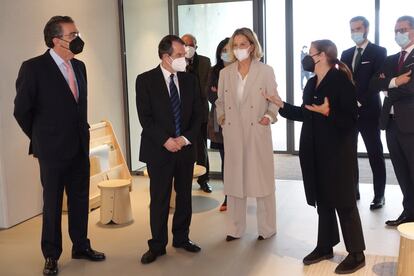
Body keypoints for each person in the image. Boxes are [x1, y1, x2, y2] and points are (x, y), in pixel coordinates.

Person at [13, 16, 105, 276]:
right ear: (56, 40)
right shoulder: (33, 68)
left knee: (79, 199)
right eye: (72, 35)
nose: (77, 38)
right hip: (51, 151)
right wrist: (41, 137)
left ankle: (81, 245)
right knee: (52, 203)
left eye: (77, 33)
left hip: (78, 146)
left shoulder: (80, 67)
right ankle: (51, 255)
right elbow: (22, 111)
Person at [265, 40, 366, 274]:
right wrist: (281, 105)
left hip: (337, 152)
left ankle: (356, 253)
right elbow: (307, 113)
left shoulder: (342, 81)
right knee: (324, 199)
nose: (307, 57)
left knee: (344, 201)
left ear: (322, 56)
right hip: (314, 150)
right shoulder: (312, 83)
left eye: (310, 53)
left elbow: (351, 120)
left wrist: (329, 112)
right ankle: (325, 245)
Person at [136, 35, 203, 264]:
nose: (184, 58)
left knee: (184, 196)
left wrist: (184, 139)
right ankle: (157, 245)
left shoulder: (190, 80)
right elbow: (145, 117)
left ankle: (182, 238)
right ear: (166, 57)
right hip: (158, 149)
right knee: (160, 198)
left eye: (184, 54)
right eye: (179, 55)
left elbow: (199, 114)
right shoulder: (145, 80)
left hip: (185, 149)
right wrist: (166, 140)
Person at [215, 27, 279, 241]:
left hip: (256, 131)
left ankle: (267, 228)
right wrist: (222, 119)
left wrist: (268, 117)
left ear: (252, 46)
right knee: (235, 182)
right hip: (233, 132)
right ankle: (235, 228)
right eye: (235, 45)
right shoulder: (225, 73)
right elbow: (220, 102)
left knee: (262, 181)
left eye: (243, 44)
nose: (239, 48)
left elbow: (274, 100)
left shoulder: (265, 71)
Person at [370, 15, 414, 227]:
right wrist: (396, 82)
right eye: (396, 31)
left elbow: (411, 88)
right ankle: (409, 212)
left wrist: (388, 88)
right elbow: (373, 84)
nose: (399, 34)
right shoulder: (390, 59)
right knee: (401, 170)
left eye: (403, 29)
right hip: (391, 122)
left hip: (411, 123)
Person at [340, 16, 387, 209]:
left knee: (375, 153)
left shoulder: (378, 52)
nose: (355, 33)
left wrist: (359, 101)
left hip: (369, 111)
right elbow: (342, 82)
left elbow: (377, 82)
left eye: (358, 29)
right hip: (349, 113)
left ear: (366, 29)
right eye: (352, 30)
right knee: (349, 154)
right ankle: (353, 190)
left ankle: (379, 195)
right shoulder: (345, 53)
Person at [181, 34, 212, 193]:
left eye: (190, 45)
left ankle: (204, 179)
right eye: (184, 44)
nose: (187, 48)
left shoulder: (205, 62)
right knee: (184, 148)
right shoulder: (176, 62)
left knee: (201, 149)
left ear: (195, 46)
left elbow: (204, 89)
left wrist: (189, 71)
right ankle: (184, 179)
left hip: (200, 112)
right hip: (181, 114)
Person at [207, 37, 231, 211]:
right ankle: (228, 197)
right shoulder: (214, 70)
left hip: (241, 121)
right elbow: (210, 95)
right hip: (220, 121)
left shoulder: (241, 69)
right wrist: (221, 97)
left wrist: (221, 94)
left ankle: (241, 194)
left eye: (229, 49)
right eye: (224, 49)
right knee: (226, 161)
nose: (227, 53)